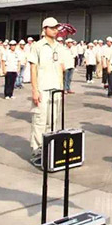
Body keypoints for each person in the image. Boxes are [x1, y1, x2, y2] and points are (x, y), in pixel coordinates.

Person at [28, 17, 64, 167]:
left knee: (52, 121)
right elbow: (33, 68)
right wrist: (34, 90)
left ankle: (49, 149)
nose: (55, 30)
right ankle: (37, 152)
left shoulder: (59, 46)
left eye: (56, 28)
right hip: (42, 88)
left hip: (56, 88)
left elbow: (61, 67)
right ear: (44, 29)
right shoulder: (37, 46)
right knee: (39, 121)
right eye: (52, 27)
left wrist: (61, 87)